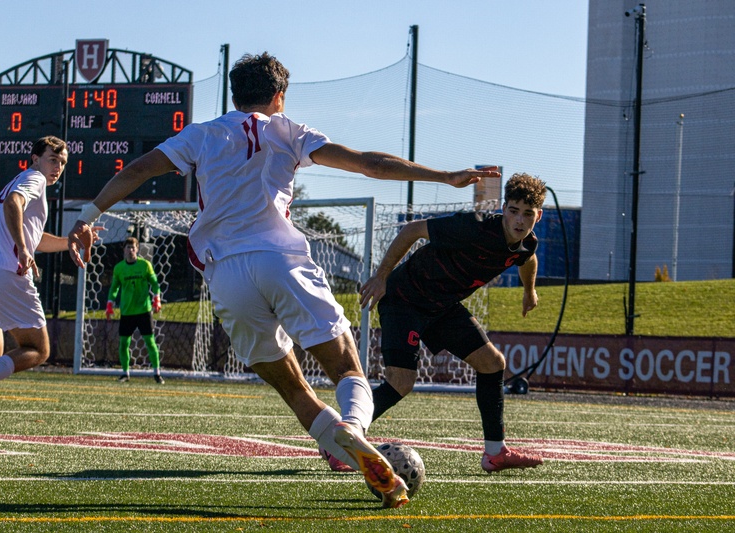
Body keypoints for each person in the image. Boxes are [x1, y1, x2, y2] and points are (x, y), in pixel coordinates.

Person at [67, 52, 500, 508]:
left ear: (235, 95)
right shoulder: (288, 130)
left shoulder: (203, 134)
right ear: (279, 96)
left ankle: (346, 447)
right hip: (281, 260)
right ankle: (352, 428)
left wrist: (88, 215)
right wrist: (445, 175)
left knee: (293, 388)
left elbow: (137, 170)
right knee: (348, 368)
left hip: (227, 274)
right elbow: (369, 163)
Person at [358, 173, 546, 473]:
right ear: (504, 208)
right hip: (405, 297)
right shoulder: (472, 227)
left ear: (538, 215)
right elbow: (411, 230)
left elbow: (528, 260)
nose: (519, 221)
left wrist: (529, 291)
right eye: (513, 211)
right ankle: (342, 442)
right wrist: (380, 276)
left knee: (492, 363)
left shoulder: (526, 244)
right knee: (401, 383)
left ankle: (495, 454)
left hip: (442, 306)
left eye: (527, 214)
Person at [0, 136, 101, 436]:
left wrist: (69, 242)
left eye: (63, 163)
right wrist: (23, 249)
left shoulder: (22, 180)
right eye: (53, 159)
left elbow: (33, 234)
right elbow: (15, 205)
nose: (58, 167)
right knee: (38, 349)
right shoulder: (34, 178)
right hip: (5, 272)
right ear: (35, 158)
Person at [106, 237, 164, 384]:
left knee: (150, 342)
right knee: (124, 343)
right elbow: (114, 288)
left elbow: (155, 284)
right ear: (123, 250)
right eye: (128, 248)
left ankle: (157, 374)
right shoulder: (119, 268)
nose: (130, 250)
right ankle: (125, 373)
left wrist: (157, 298)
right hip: (127, 312)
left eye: (133, 248)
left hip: (144, 310)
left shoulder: (145, 265)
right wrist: (109, 303)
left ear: (137, 249)